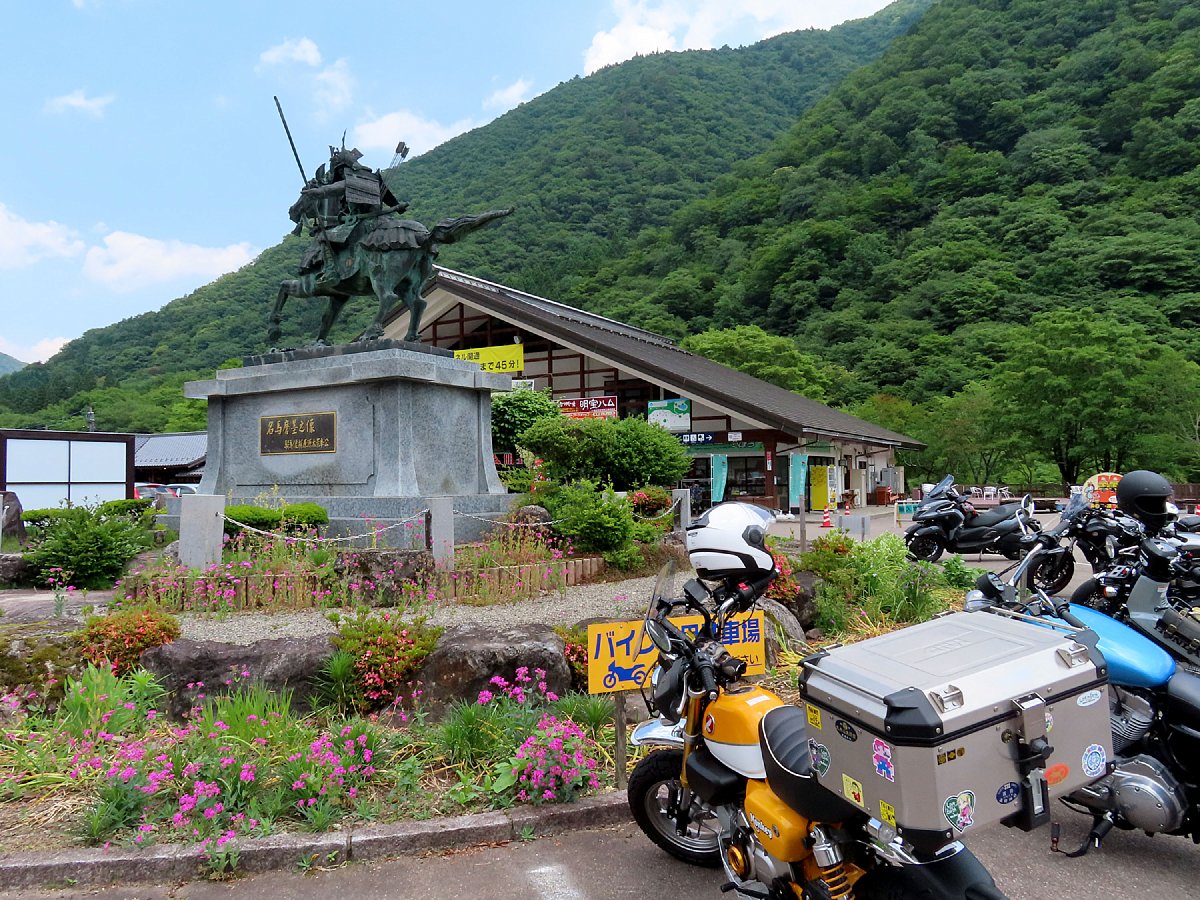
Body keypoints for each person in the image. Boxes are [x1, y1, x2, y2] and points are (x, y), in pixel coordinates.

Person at [288, 144, 406, 285]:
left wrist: (315, 192)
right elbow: (389, 200)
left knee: (324, 238)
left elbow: (331, 189)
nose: (341, 174)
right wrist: (397, 207)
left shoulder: (351, 181)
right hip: (381, 219)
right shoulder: (373, 178)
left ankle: (331, 271)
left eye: (341, 171)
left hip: (364, 223)